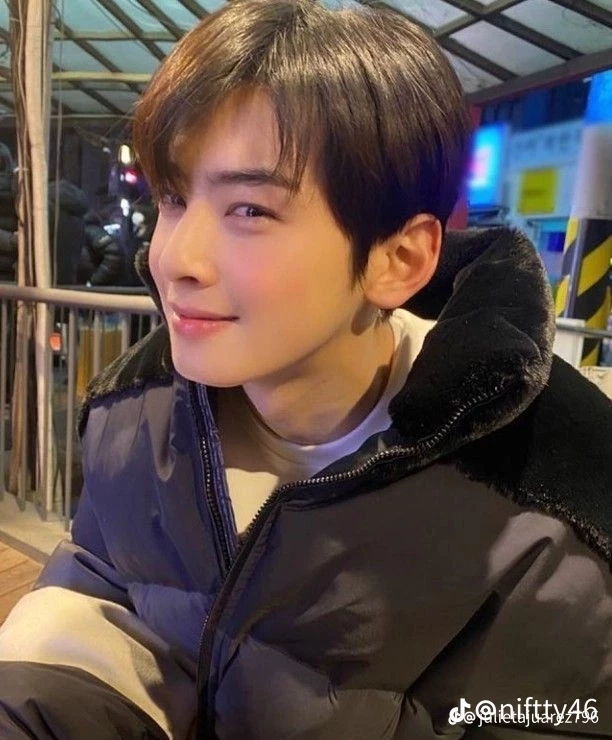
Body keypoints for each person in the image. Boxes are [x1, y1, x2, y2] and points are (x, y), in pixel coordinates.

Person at [0, 1, 611, 738]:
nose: (173, 259)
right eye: (174, 197)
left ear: (398, 259)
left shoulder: (556, 497)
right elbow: (97, 603)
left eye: (249, 210)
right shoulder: (135, 412)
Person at [76, 210, 125, 287]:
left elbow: (114, 253)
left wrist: (94, 282)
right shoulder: (85, 230)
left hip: (91, 288)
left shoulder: (90, 230)